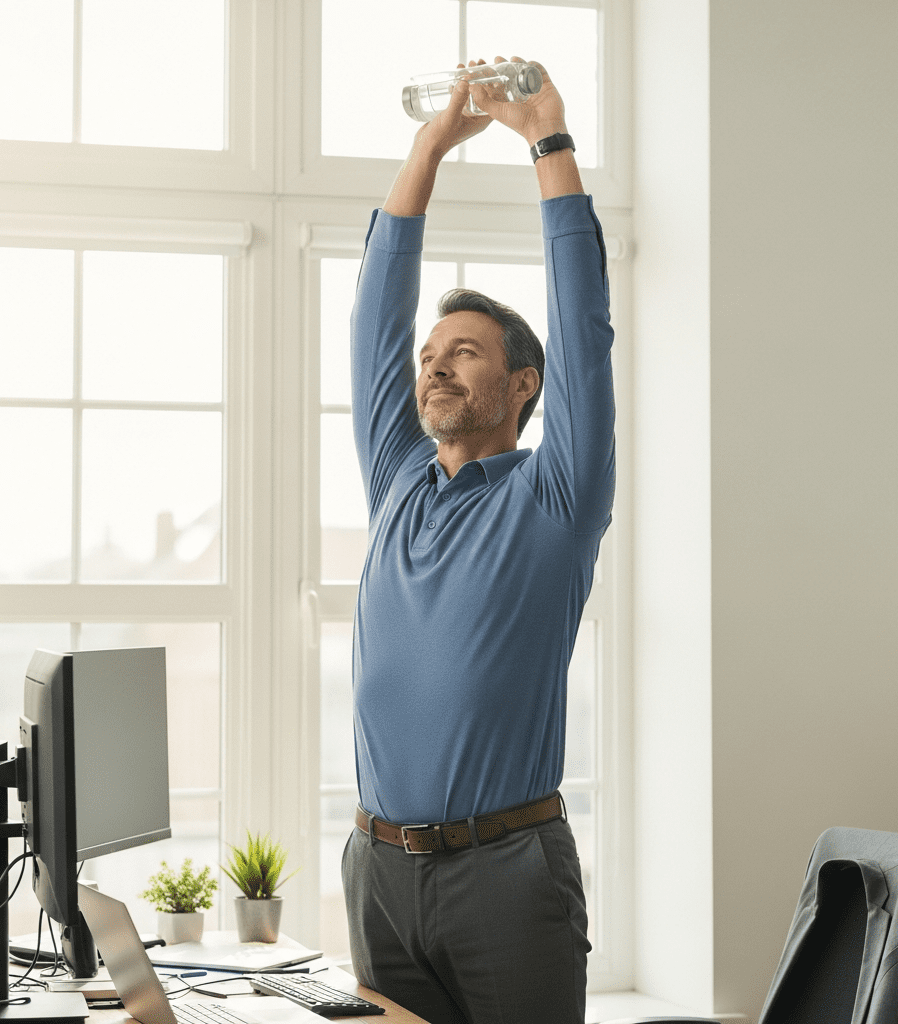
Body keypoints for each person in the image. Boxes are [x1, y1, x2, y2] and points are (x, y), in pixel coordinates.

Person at [340, 55, 615, 1024]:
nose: (435, 368)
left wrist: (547, 142)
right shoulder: (398, 482)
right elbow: (376, 320)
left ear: (524, 386)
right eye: (431, 356)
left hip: (505, 872)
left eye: (464, 352)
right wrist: (428, 149)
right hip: (378, 868)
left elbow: (583, 329)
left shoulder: (555, 495)